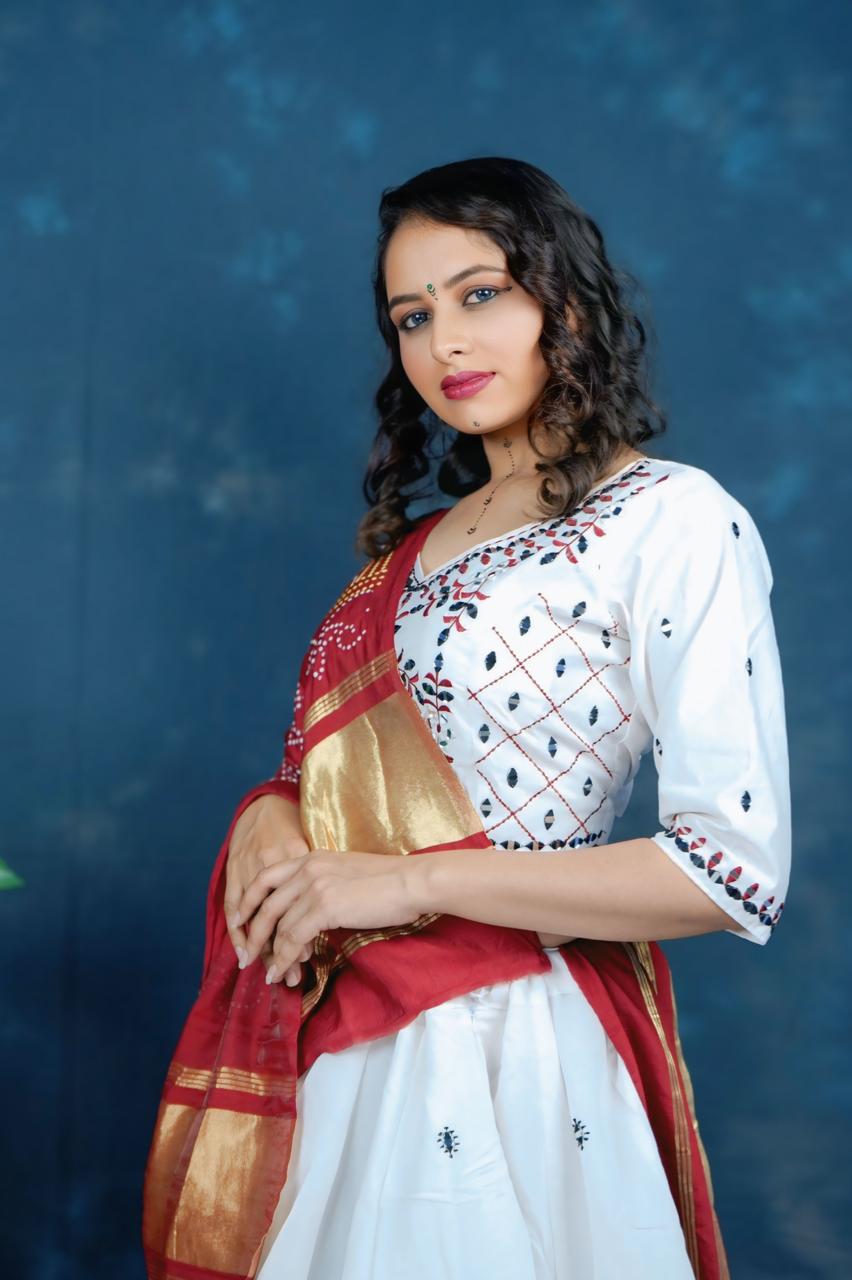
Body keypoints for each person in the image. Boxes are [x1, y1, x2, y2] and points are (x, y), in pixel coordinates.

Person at [142, 157, 791, 1280]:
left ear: (566, 304)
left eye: (480, 293)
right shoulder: (408, 554)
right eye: (412, 314)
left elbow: (730, 871)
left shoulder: (672, 519)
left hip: (516, 1052)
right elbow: (321, 785)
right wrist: (268, 814)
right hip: (349, 1047)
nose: (445, 340)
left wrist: (414, 882)